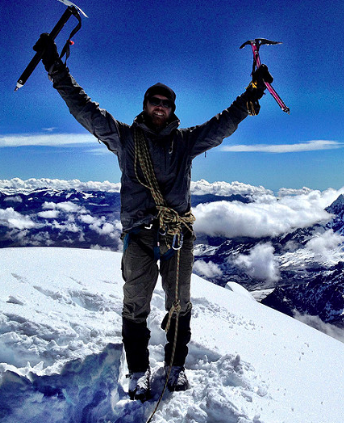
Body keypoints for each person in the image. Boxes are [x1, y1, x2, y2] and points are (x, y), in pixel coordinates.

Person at [34, 34, 272, 400]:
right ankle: (139, 372)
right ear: (145, 105)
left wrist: (250, 95)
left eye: (166, 102)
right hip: (140, 236)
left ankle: (175, 368)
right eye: (154, 101)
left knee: (180, 305)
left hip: (177, 236)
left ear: (172, 109)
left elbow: (222, 123)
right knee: (135, 306)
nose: (160, 106)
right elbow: (83, 107)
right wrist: (54, 64)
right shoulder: (125, 138)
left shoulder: (186, 141)